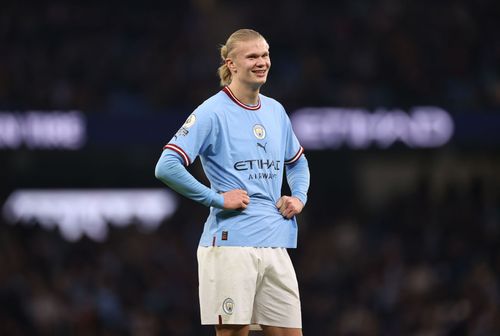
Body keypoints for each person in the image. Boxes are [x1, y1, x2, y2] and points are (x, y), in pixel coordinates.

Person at [155, 29, 310, 336]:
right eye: (252, 56)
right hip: (230, 244)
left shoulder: (276, 111)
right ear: (232, 64)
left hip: (275, 241)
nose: (262, 62)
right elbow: (167, 166)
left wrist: (299, 197)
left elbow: (298, 163)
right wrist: (217, 198)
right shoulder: (212, 112)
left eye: (265, 54)